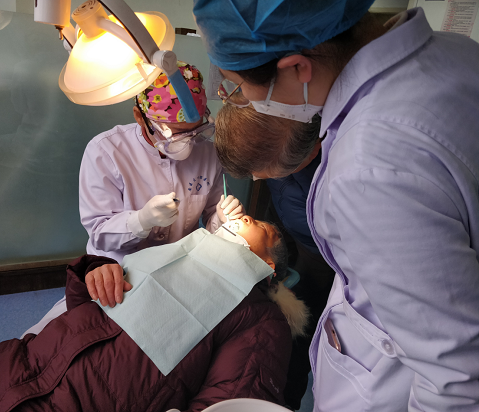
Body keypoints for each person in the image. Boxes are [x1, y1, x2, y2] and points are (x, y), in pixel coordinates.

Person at [193, 1, 479, 411]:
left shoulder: (366, 169)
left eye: (236, 88)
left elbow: (458, 376)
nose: (238, 100)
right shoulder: (456, 51)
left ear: (297, 68)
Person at [0, 216, 309, 412]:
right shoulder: (178, 255)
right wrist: (96, 271)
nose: (246, 219)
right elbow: (87, 312)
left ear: (269, 267)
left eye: (262, 226)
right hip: (10, 373)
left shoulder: (260, 319)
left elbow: (231, 400)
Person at [21, 61, 243, 336]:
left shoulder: (208, 153)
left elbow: (211, 213)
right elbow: (100, 233)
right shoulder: (106, 151)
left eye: (195, 130)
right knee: (64, 338)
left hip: (176, 271)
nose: (188, 142)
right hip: (117, 273)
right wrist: (140, 221)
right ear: (140, 117)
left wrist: (219, 221)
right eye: (174, 133)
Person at [215, 102, 335, 409]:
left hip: (320, 249)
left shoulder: (329, 180)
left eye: (252, 223)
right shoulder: (274, 141)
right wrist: (217, 221)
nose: (256, 178)